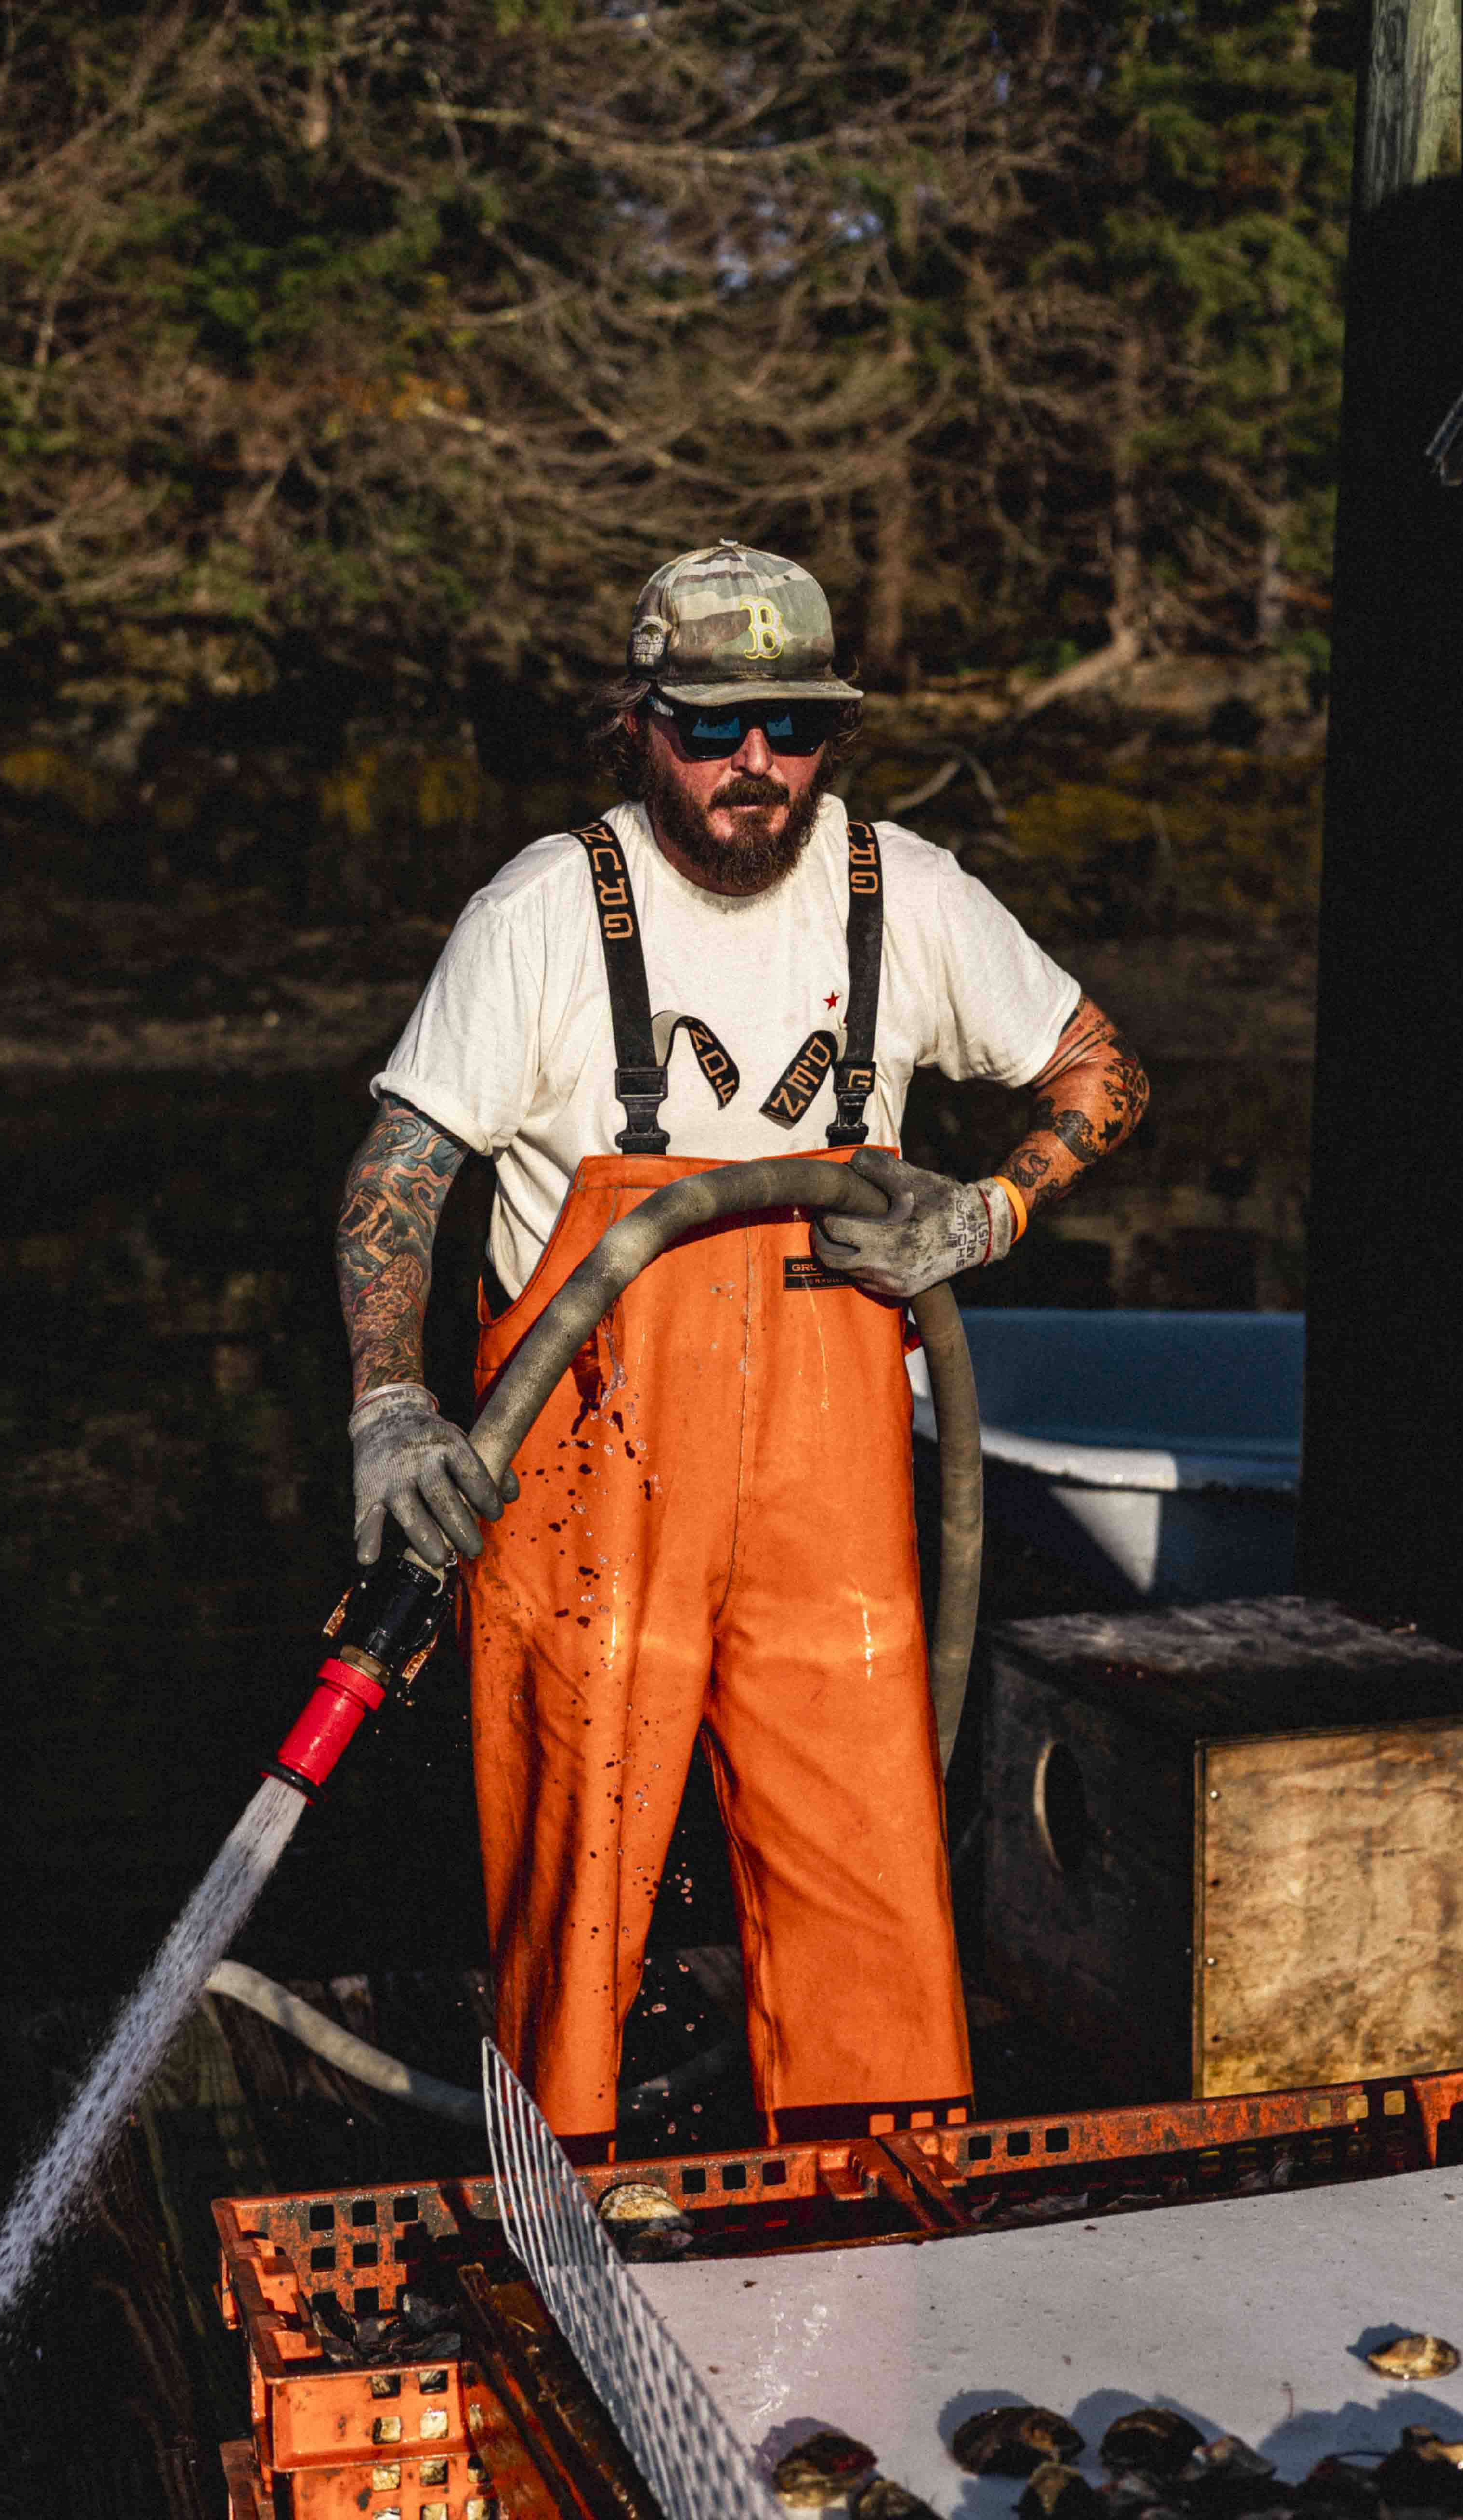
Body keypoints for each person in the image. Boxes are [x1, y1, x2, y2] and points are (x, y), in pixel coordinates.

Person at [336, 539, 1149, 2158]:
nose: (754, 765)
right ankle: (559, 2215)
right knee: (579, 1880)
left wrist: (988, 1210)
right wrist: (388, 1406)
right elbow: (398, 1174)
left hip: (829, 1481)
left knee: (869, 1873)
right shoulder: (546, 911)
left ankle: (880, 2223)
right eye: (711, 727)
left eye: (791, 724)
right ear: (637, 724)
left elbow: (1097, 1069)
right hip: (587, 1482)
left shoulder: (904, 895)